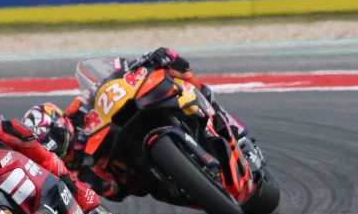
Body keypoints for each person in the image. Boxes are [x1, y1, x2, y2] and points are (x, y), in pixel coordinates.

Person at [22, 47, 248, 200]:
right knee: (139, 186)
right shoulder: (68, 170)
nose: (59, 147)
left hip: (126, 123)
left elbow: (103, 85)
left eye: (57, 137)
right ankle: (187, 185)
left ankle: (217, 114)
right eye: (52, 148)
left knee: (172, 69)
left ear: (62, 122)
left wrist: (140, 63)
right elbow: (109, 192)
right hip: (131, 170)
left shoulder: (76, 111)